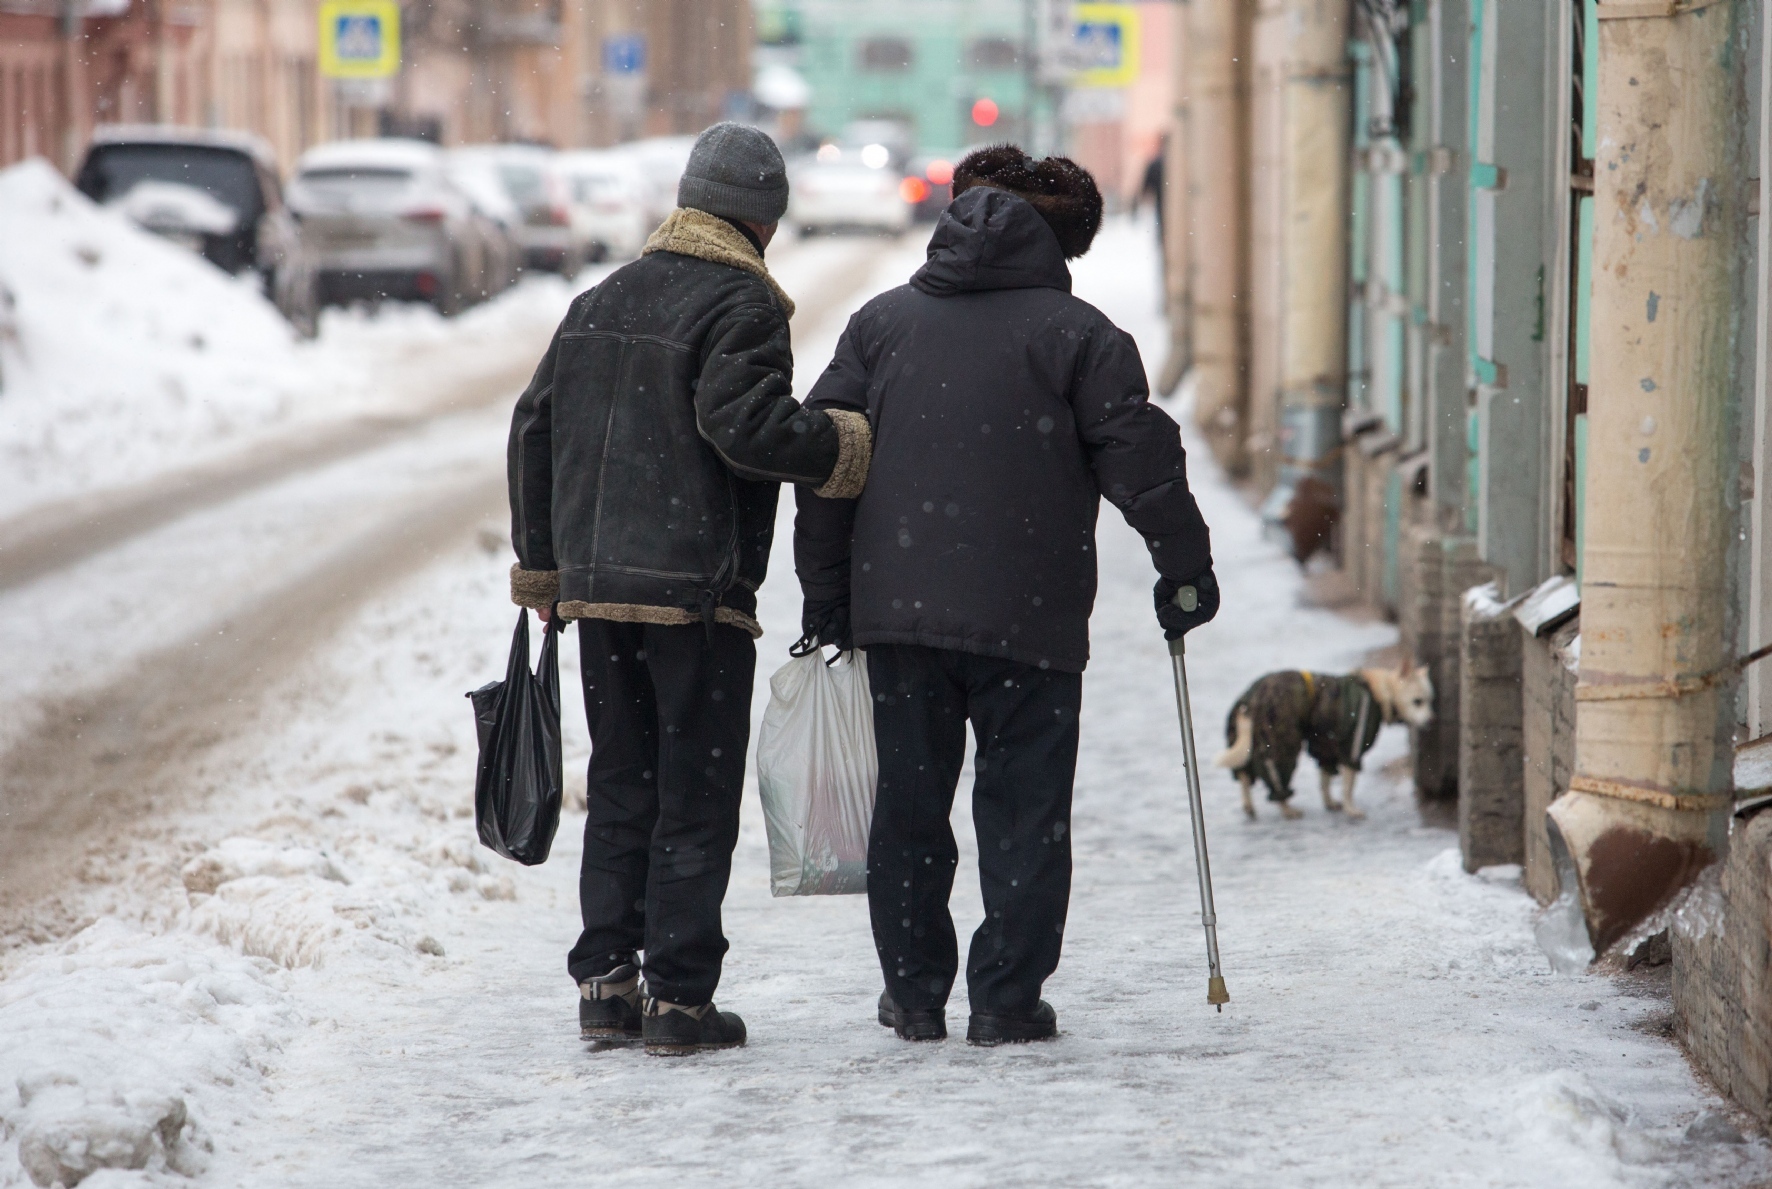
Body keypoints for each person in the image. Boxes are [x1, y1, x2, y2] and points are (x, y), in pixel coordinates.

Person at [793, 145, 1218, 1046]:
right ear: (1056, 247)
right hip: (1032, 617)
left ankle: (913, 994)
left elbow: (830, 465)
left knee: (910, 808)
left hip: (900, 617)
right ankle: (1006, 998)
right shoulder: (1084, 338)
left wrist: (826, 592)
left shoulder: (881, 326)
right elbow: (1140, 462)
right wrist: (1183, 565)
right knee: (1025, 813)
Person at [507, 122, 871, 1056]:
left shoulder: (600, 297)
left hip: (601, 595)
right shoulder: (741, 303)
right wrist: (839, 446)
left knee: (624, 782)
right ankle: (679, 1000)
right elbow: (742, 425)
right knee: (695, 793)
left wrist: (545, 566)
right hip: (693, 595)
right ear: (761, 222)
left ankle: (605, 985)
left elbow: (533, 426)